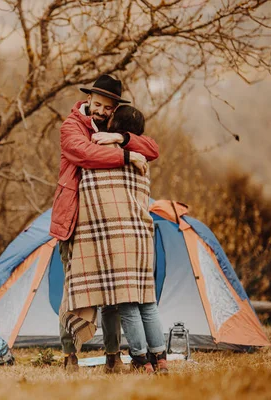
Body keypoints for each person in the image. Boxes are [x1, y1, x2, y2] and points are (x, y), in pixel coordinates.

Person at [50, 75, 158, 373]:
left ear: (114, 109)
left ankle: (113, 357)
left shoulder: (112, 129)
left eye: (108, 107)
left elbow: (153, 148)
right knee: (73, 290)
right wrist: (126, 155)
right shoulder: (71, 126)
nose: (101, 110)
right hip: (75, 221)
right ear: (88, 101)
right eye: (97, 104)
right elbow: (83, 154)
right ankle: (69, 355)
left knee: (113, 292)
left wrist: (121, 138)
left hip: (107, 224)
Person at [91, 104, 169, 373]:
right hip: (142, 234)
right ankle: (160, 358)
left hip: (119, 235)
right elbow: (151, 148)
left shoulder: (106, 155)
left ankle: (140, 359)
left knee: (127, 303)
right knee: (148, 301)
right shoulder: (142, 158)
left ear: (117, 125)